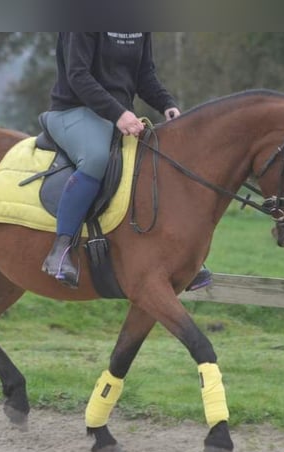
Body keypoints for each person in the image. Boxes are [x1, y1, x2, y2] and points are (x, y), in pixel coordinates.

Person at [41, 32, 212, 291]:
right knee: (96, 158)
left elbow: (145, 75)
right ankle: (61, 250)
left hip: (118, 115)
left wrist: (166, 104)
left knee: (156, 160)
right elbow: (78, 75)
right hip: (73, 110)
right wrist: (118, 113)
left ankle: (178, 256)